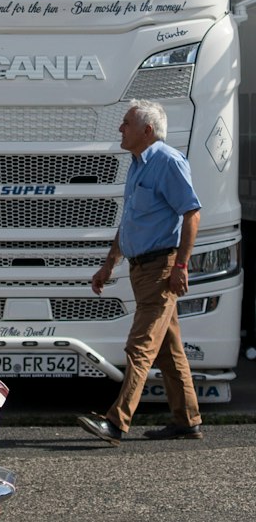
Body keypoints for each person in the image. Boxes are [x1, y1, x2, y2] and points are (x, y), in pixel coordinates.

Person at [77, 99, 203, 444]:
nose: (121, 128)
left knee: (140, 347)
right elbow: (131, 221)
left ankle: (117, 422)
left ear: (147, 130)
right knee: (168, 350)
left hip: (161, 270)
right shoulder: (136, 164)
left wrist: (180, 265)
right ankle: (187, 420)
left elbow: (192, 213)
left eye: (126, 123)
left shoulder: (167, 161)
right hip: (140, 270)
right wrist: (109, 263)